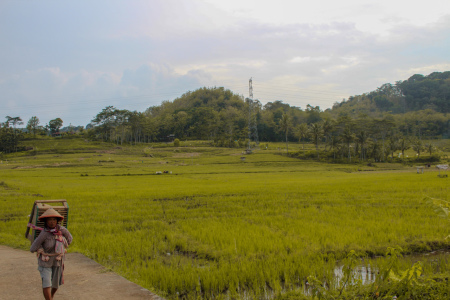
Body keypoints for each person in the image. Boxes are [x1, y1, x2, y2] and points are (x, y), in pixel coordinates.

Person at [30, 208, 73, 300]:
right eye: (50, 219)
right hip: (46, 261)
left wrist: (63, 246)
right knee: (46, 283)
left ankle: (51, 297)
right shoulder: (44, 234)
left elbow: (70, 238)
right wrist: (40, 249)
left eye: (54, 219)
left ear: (57, 221)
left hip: (57, 261)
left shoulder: (62, 230)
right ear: (46, 221)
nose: (52, 222)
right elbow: (33, 248)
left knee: (55, 284)